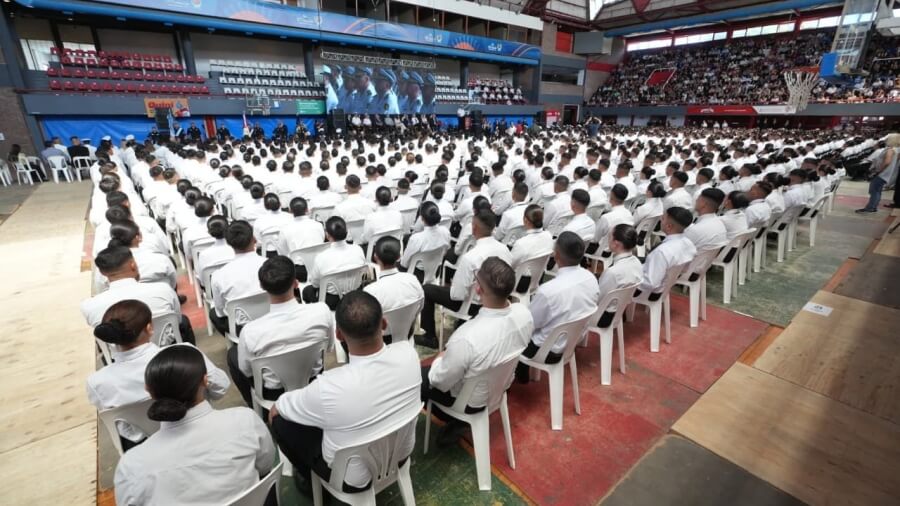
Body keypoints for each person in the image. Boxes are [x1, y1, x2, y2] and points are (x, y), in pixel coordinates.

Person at [270, 291, 421, 495]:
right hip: (401, 454)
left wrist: (279, 405)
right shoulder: (408, 354)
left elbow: (281, 407)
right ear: (384, 324)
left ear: (339, 334)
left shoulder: (328, 387)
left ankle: (308, 476)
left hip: (350, 477)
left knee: (280, 422)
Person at [114, 345, 276, 506]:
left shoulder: (132, 465)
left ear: (148, 391)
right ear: (205, 381)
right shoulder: (245, 420)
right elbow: (265, 466)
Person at [88, 300, 229, 451]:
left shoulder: (96, 382)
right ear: (149, 328)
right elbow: (221, 387)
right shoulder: (185, 353)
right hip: (202, 433)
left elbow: (119, 424)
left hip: (144, 449)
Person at [421, 257, 533, 443]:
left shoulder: (466, 337)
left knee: (416, 379)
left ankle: (456, 420)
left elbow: (438, 381)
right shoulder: (525, 315)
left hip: (467, 403)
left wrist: (439, 359)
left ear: (478, 289)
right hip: (499, 389)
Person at [228, 256, 334, 409]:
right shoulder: (321, 311)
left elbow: (247, 370)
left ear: (262, 287)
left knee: (233, 354)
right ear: (296, 282)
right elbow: (329, 348)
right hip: (313, 380)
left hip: (274, 393)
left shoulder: (250, 331)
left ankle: (255, 406)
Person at [418, 210, 512, 348]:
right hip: (495, 301)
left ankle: (430, 337)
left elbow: (457, 295)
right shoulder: (505, 250)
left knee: (426, 289)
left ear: (473, 228)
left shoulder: (471, 257)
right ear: (494, 228)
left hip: (470, 305)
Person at [515, 232, 599, 383]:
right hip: (571, 343)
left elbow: (529, 324)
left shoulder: (549, 291)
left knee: (512, 327)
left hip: (544, 350)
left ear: (556, 255)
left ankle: (514, 374)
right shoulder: (591, 279)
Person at [81, 246, 195, 344]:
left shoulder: (89, 306)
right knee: (183, 321)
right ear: (133, 265)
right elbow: (177, 319)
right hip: (167, 351)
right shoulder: (163, 289)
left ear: (102, 273)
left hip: (121, 362)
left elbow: (103, 335)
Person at [209, 221, 266, 336]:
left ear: (229, 244)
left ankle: (238, 343)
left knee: (213, 314)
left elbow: (220, 312)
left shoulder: (219, 275)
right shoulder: (269, 264)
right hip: (271, 319)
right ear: (254, 239)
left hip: (242, 329)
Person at [364, 236, 424, 343]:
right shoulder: (412, 280)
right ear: (399, 257)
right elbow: (419, 307)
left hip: (381, 340)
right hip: (407, 333)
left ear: (375, 257)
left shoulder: (370, 291)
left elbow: (367, 324)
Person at [302, 216, 367, 310]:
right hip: (356, 294)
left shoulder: (321, 257)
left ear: (327, 235)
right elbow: (365, 274)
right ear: (347, 232)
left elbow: (315, 284)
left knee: (306, 291)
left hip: (332, 302)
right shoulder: (358, 249)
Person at [635, 207, 696, 299]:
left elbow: (650, 283)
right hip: (665, 286)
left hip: (647, 292)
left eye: (663, 218)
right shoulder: (689, 244)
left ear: (669, 226)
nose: (660, 220)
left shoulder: (662, 252)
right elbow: (684, 270)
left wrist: (632, 277)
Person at [595, 224, 643, 326]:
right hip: (619, 310)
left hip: (602, 316)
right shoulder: (636, 262)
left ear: (616, 244)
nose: (608, 240)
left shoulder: (613, 272)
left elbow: (597, 299)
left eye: (609, 237)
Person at [276, 197, 326, 282]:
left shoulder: (285, 230)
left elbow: (282, 254)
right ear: (307, 209)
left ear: (290, 211)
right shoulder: (318, 225)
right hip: (322, 266)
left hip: (300, 272)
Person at [400, 201, 451, 279]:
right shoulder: (446, 232)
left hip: (416, 275)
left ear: (422, 218)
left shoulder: (416, 238)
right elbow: (445, 251)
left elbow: (404, 264)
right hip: (435, 271)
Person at [857, 133, 899, 213]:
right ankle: (873, 207)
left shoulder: (890, 150)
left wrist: (878, 170)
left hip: (882, 174)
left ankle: (870, 207)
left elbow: (887, 162)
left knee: (874, 191)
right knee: (877, 191)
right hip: (884, 174)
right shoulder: (893, 150)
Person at [592, 184, 634, 255]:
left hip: (604, 251)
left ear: (611, 197)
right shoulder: (629, 214)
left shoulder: (606, 218)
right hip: (621, 249)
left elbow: (595, 239)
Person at [361, 186, 404, 252]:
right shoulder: (398, 214)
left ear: (376, 199)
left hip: (377, 252)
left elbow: (366, 239)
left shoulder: (370, 217)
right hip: (396, 250)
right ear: (391, 198)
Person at [196, 216, 234, 286]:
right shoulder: (237, 249)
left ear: (209, 232)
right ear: (228, 228)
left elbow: (203, 281)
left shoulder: (204, 254)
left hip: (213, 289)